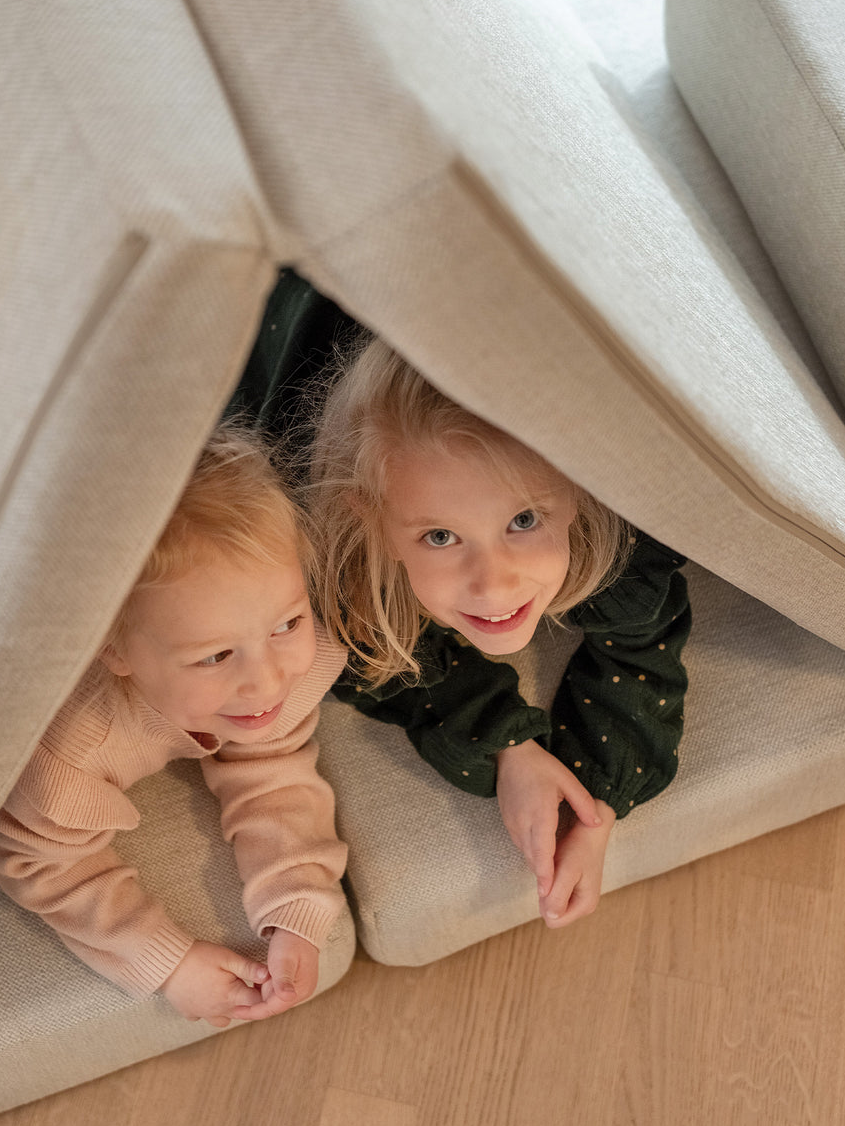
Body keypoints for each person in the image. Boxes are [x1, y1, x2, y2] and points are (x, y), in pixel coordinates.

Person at [234, 270, 689, 930]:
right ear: (376, 524)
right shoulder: (337, 554)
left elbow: (644, 648)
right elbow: (377, 658)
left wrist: (595, 805)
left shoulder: (614, 534)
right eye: (441, 537)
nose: (492, 584)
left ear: (579, 493)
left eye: (523, 521)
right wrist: (509, 747)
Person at [0, 424, 348, 1028]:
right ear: (112, 651)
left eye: (287, 623)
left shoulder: (294, 670)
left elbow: (273, 767)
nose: (266, 683)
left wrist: (296, 909)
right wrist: (168, 962)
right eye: (215, 656)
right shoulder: (70, 751)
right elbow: (38, 860)